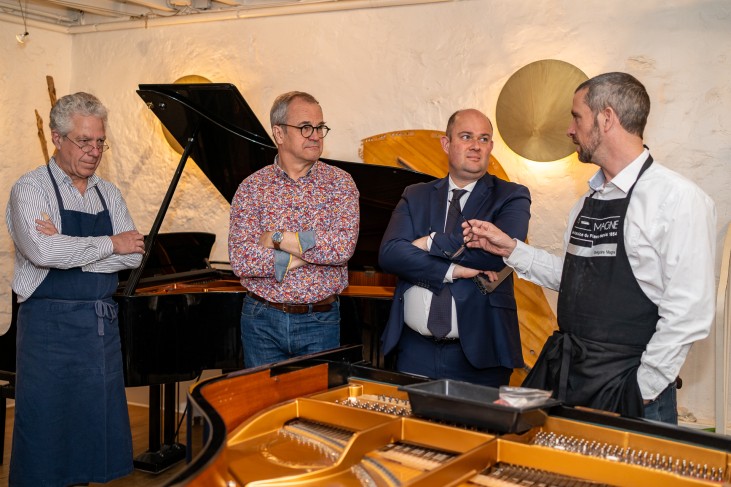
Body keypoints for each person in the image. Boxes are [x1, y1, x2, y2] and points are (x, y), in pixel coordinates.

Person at [464, 72, 716, 423]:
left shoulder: (677, 199)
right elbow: (577, 279)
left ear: (606, 118)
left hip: (631, 391)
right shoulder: (586, 201)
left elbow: (689, 311)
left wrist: (642, 389)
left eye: (577, 116)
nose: (570, 129)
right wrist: (510, 248)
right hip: (573, 380)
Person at [5, 92, 144, 486]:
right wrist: (110, 243)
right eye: (84, 141)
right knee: (45, 431)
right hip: (48, 331)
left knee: (92, 431)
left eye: (100, 141)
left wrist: (70, 248)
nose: (94, 151)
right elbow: (42, 251)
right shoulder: (30, 188)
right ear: (57, 137)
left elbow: (134, 256)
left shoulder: (108, 193)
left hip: (99, 332)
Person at [378, 108, 531, 387]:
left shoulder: (511, 196)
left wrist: (428, 242)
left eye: (484, 139)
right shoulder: (415, 194)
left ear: (491, 147)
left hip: (481, 354)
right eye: (466, 136)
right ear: (446, 144)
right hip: (413, 352)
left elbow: (494, 254)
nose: (476, 146)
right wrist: (454, 271)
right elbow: (390, 255)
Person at [228, 91, 359, 368]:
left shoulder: (340, 184)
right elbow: (241, 259)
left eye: (320, 127)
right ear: (279, 133)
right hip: (260, 319)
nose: (316, 135)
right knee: (262, 397)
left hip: (320, 320)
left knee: (316, 398)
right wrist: (304, 255)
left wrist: (277, 238)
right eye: (305, 127)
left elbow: (341, 248)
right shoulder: (251, 188)